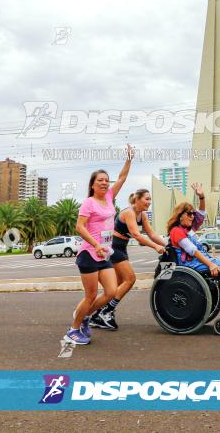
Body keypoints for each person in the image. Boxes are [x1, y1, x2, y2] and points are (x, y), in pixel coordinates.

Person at [64, 145, 134, 345]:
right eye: (100, 180)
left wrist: (128, 160)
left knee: (111, 292)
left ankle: (85, 316)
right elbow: (79, 226)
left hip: (104, 254)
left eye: (106, 180)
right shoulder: (89, 203)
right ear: (93, 185)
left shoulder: (110, 197)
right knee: (91, 295)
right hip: (89, 253)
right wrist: (95, 244)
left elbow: (122, 178)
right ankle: (73, 330)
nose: (104, 183)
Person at [90, 188, 166, 330]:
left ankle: (97, 315)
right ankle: (106, 312)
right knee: (130, 279)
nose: (149, 202)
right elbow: (137, 235)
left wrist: (169, 245)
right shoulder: (129, 213)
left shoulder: (142, 215)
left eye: (150, 199)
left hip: (121, 247)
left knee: (117, 285)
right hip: (113, 247)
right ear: (137, 199)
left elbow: (152, 234)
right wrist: (155, 247)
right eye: (147, 199)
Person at [166, 184, 220, 304]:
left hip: (199, 261)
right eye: (189, 214)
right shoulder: (176, 231)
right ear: (180, 216)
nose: (192, 217)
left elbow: (200, 215)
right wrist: (211, 265)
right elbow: (192, 250)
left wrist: (202, 197)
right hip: (191, 264)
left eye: (193, 214)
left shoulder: (188, 230)